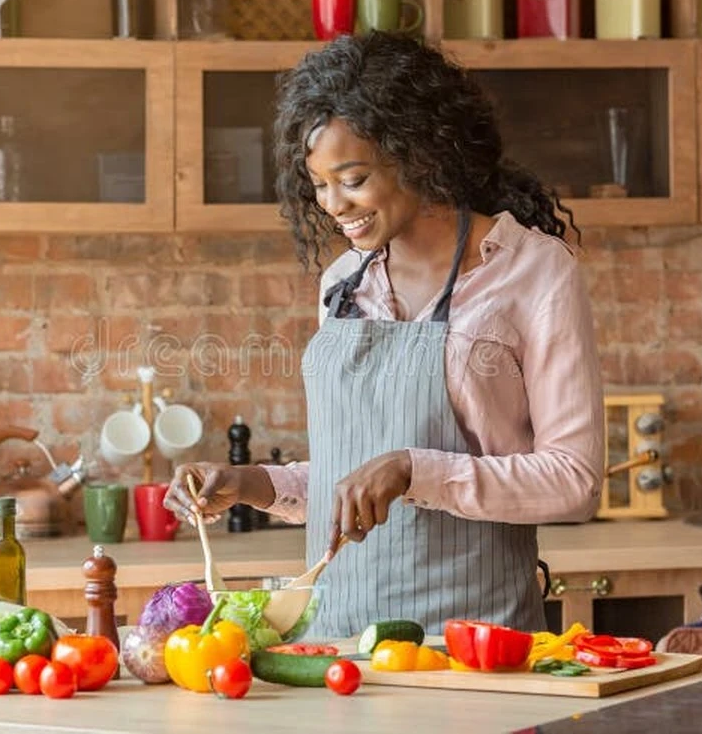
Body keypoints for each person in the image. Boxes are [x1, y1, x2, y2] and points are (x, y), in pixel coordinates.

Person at [164, 32, 604, 639]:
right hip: (339, 643)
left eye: (353, 177)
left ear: (418, 153)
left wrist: (411, 469)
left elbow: (573, 481)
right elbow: (352, 481)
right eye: (319, 184)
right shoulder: (344, 283)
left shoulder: (532, 271)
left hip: (475, 647)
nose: (333, 205)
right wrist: (253, 485)